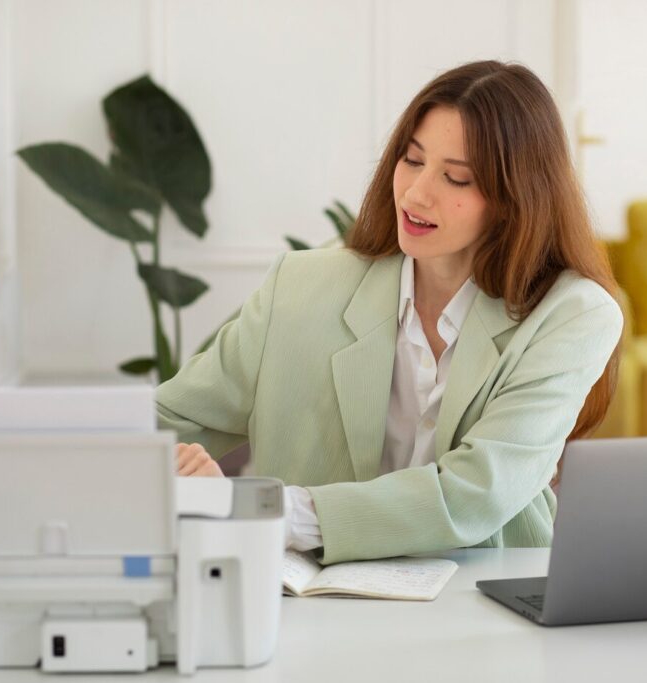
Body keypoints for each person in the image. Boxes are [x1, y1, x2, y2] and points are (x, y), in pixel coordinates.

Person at [156, 60, 623, 564]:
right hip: (315, 595)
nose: (417, 193)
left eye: (456, 178)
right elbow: (168, 421)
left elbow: (478, 492)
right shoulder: (299, 288)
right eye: (413, 159)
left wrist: (266, 513)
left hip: (484, 590)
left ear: (516, 198)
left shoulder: (571, 315)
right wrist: (172, 474)